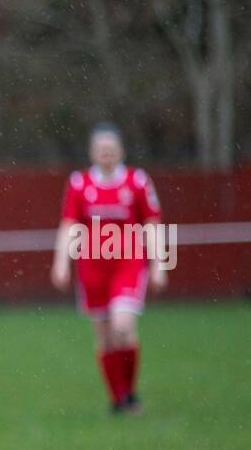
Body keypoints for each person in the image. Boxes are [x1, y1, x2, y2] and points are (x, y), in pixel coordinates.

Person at [51, 124, 166, 413]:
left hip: (128, 263)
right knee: (104, 336)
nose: (106, 155)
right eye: (101, 151)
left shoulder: (137, 182)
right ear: (92, 153)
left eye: (111, 150)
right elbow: (70, 225)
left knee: (123, 327)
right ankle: (119, 398)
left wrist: (159, 264)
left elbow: (152, 223)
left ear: (121, 152)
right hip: (92, 267)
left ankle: (129, 393)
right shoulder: (79, 184)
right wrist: (61, 262)